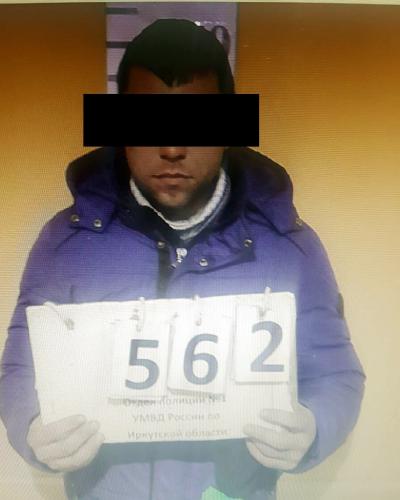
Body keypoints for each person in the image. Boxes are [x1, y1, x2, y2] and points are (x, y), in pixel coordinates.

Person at [0, 19, 365, 500]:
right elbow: (21, 368)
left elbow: (337, 374)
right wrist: (31, 427)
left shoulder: (291, 246)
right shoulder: (64, 243)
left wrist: (314, 427)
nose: (172, 149)